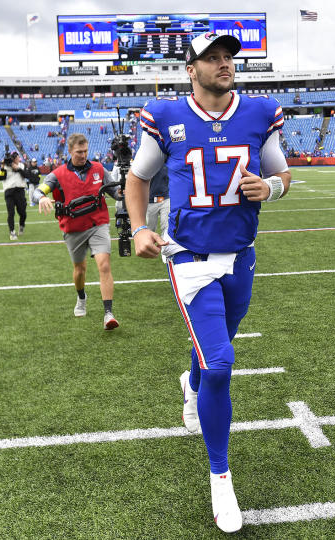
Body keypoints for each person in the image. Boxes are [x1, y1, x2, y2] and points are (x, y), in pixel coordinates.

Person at [124, 32, 290, 534]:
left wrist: (272, 188)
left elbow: (283, 174)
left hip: (240, 256)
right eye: (212, 59)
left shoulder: (261, 112)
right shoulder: (165, 115)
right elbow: (136, 179)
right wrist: (138, 228)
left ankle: (189, 383)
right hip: (190, 258)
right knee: (220, 363)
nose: (224, 65)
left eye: (228, 58)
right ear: (190, 69)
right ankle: (221, 476)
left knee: (212, 355)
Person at [34, 133, 122, 330]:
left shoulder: (99, 169)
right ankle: (81, 297)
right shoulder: (57, 174)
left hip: (97, 224)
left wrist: (120, 193)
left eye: (85, 151)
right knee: (79, 270)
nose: (83, 155)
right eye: (79, 152)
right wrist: (41, 197)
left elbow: (113, 192)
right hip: (73, 228)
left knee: (104, 265)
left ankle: (108, 313)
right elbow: (39, 190)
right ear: (70, 151)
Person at [0, 151, 27, 240]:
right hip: (9, 191)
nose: (19, 159)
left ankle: (21, 224)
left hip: (20, 190)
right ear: (13, 159)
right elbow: (1, 178)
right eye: (17, 158)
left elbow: (26, 175)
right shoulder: (5, 167)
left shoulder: (21, 166)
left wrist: (17, 168)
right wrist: (3, 167)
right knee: (11, 213)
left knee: (22, 212)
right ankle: (12, 232)